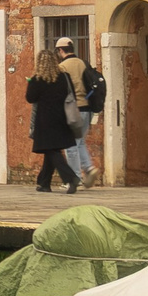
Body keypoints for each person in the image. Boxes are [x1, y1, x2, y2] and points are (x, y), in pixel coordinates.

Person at [56, 38, 107, 186]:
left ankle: (75, 178)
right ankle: (89, 168)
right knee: (79, 141)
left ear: (60, 50)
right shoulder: (83, 63)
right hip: (87, 109)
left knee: (71, 145)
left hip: (73, 110)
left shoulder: (62, 67)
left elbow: (61, 91)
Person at [26, 57, 80, 192]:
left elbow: (30, 98)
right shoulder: (64, 77)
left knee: (51, 150)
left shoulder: (37, 79)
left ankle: (71, 177)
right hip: (62, 118)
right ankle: (44, 183)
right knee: (52, 149)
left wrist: (31, 82)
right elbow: (72, 93)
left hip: (45, 120)